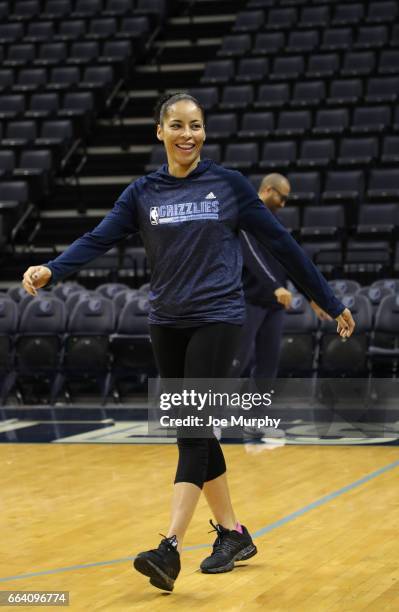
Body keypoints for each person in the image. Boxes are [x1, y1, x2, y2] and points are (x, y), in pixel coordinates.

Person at [21, 92, 355, 593]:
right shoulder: (142, 193)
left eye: (195, 126)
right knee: (191, 427)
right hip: (167, 321)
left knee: (191, 429)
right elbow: (99, 237)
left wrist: (326, 299)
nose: (187, 135)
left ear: (204, 133)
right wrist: (53, 268)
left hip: (218, 318)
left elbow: (280, 244)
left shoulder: (229, 186)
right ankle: (233, 533)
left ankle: (169, 547)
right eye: (177, 125)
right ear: (160, 131)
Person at [233, 174, 332, 440]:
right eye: (282, 197)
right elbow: (251, 256)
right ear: (267, 190)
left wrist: (311, 296)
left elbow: (290, 261)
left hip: (273, 308)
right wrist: (273, 285)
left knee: (268, 365)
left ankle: (255, 421)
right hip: (247, 301)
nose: (285, 203)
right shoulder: (245, 215)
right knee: (235, 363)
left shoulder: (277, 223)